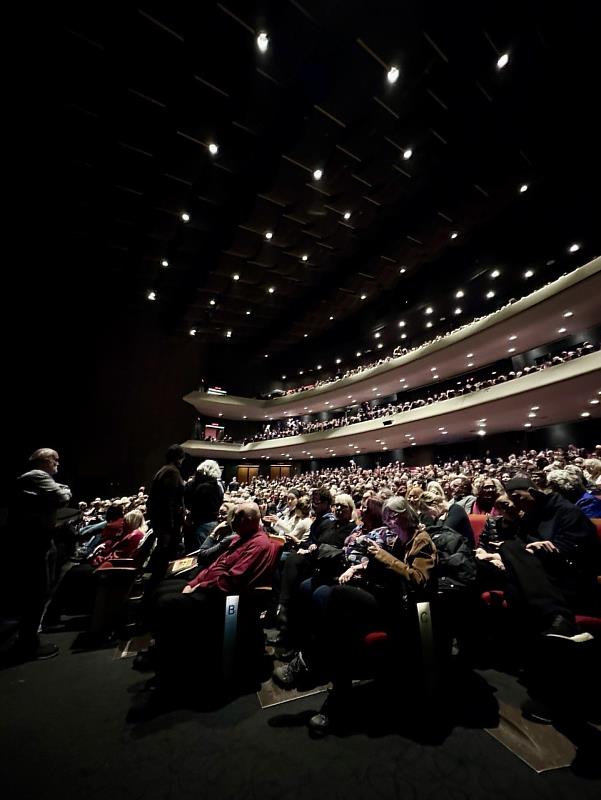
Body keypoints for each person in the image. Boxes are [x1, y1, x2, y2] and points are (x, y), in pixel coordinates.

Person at [143, 503, 279, 705]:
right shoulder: (240, 538)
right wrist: (193, 582)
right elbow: (216, 565)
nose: (234, 520)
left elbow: (232, 580)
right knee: (162, 588)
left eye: (239, 517)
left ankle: (168, 671)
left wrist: (199, 587)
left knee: (165, 603)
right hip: (208, 587)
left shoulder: (259, 544)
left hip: (222, 597)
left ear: (253, 520)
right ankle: (164, 650)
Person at [499, 478, 600, 641]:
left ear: (532, 493)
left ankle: (561, 619)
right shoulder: (531, 515)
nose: (515, 503)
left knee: (510, 550)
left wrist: (550, 547)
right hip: (540, 571)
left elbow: (579, 548)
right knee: (500, 554)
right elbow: (520, 543)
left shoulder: (566, 510)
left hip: (571, 573)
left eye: (516, 497)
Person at [10, 448, 72, 660]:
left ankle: (28, 639)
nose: (58, 464)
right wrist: (63, 491)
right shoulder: (38, 476)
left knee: (40, 590)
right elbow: (62, 496)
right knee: (36, 591)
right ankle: (28, 643)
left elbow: (57, 495)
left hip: (39, 540)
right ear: (45, 461)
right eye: (55, 460)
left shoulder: (36, 479)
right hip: (34, 543)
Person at [146, 445, 185, 587]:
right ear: (179, 458)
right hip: (167, 525)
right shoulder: (171, 472)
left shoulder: (163, 470)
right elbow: (169, 502)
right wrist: (171, 526)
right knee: (164, 560)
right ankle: (158, 589)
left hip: (162, 523)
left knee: (162, 557)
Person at [184, 459, 224, 549]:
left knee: (197, 551)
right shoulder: (218, 486)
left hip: (201, 523)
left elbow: (193, 505)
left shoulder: (202, 487)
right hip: (213, 522)